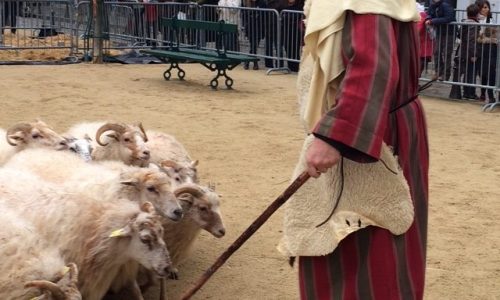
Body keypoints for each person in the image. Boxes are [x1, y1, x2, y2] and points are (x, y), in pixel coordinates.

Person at [278, 0, 429, 299]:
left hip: (371, 134)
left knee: (371, 248)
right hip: (372, 125)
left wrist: (336, 136)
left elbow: (373, 66)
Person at [426, 0, 456, 81]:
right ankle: (438, 71)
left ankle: (446, 74)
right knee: (436, 52)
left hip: (449, 32)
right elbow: (429, 14)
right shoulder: (433, 5)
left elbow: (449, 18)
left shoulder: (446, 4)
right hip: (440, 32)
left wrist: (433, 21)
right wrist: (428, 18)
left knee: (447, 53)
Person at [476, 0, 498, 103]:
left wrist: (488, 38)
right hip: (480, 49)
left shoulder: (491, 19)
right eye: (484, 7)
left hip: (491, 49)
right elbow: (478, 37)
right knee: (483, 72)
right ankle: (483, 93)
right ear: (479, 8)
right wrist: (485, 38)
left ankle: (491, 95)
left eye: (487, 7)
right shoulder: (476, 20)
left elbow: (494, 36)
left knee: (491, 72)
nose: (487, 9)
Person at [459, 4, 481, 100]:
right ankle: (470, 93)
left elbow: (460, 35)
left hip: (464, 50)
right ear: (476, 14)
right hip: (470, 52)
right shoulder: (474, 25)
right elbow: (472, 40)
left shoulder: (464, 22)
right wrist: (474, 54)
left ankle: (467, 92)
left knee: (467, 72)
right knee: (471, 73)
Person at [242, 0, 266, 70]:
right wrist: (244, 25)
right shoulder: (246, 3)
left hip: (259, 28)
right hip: (250, 28)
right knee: (253, 45)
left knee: (254, 45)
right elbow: (244, 15)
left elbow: (265, 15)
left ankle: (248, 62)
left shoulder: (262, 3)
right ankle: (254, 63)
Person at [417, 2, 435, 77]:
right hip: (424, 43)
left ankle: (416, 80)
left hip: (422, 43)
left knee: (420, 62)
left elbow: (418, 30)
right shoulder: (424, 15)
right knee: (422, 62)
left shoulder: (420, 16)